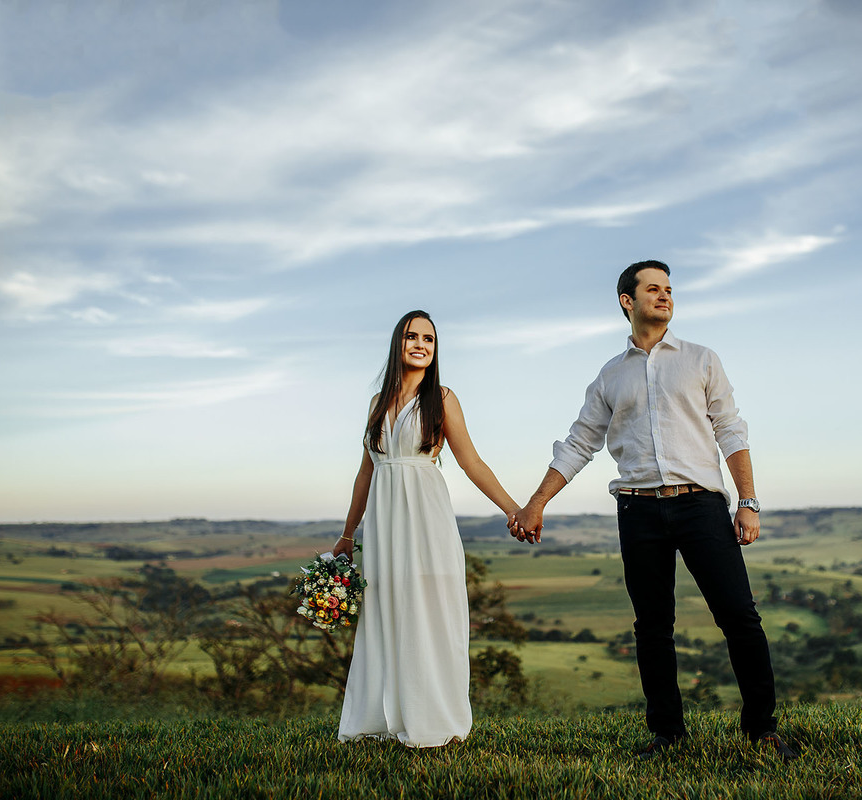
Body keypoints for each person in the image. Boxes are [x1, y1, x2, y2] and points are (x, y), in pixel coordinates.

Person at [509, 261, 797, 761]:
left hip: (701, 506)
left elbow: (731, 430)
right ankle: (668, 735)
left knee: (739, 617)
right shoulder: (610, 375)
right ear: (628, 300)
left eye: (669, 289)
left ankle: (762, 730)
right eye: (653, 289)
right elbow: (579, 443)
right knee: (652, 626)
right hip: (637, 511)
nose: (665, 296)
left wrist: (747, 501)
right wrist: (536, 502)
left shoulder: (701, 359)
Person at [335, 310, 521, 748]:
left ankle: (433, 718)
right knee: (386, 608)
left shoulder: (443, 398)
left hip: (426, 514)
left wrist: (513, 509)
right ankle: (379, 718)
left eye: (429, 339)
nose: (421, 344)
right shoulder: (377, 403)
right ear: (398, 343)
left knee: (429, 608)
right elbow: (365, 474)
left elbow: (471, 462)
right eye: (412, 336)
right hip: (384, 522)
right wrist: (347, 535)